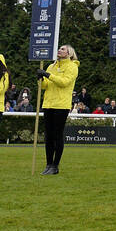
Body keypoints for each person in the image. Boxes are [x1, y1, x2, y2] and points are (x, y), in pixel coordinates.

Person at [38, 44, 79, 175]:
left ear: (69, 53)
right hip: (48, 103)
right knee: (48, 135)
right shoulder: (51, 66)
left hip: (61, 104)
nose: (59, 51)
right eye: (59, 49)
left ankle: (55, 165)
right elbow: (45, 86)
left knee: (57, 134)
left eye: (63, 49)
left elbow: (64, 82)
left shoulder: (73, 66)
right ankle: (48, 164)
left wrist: (48, 75)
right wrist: (40, 79)